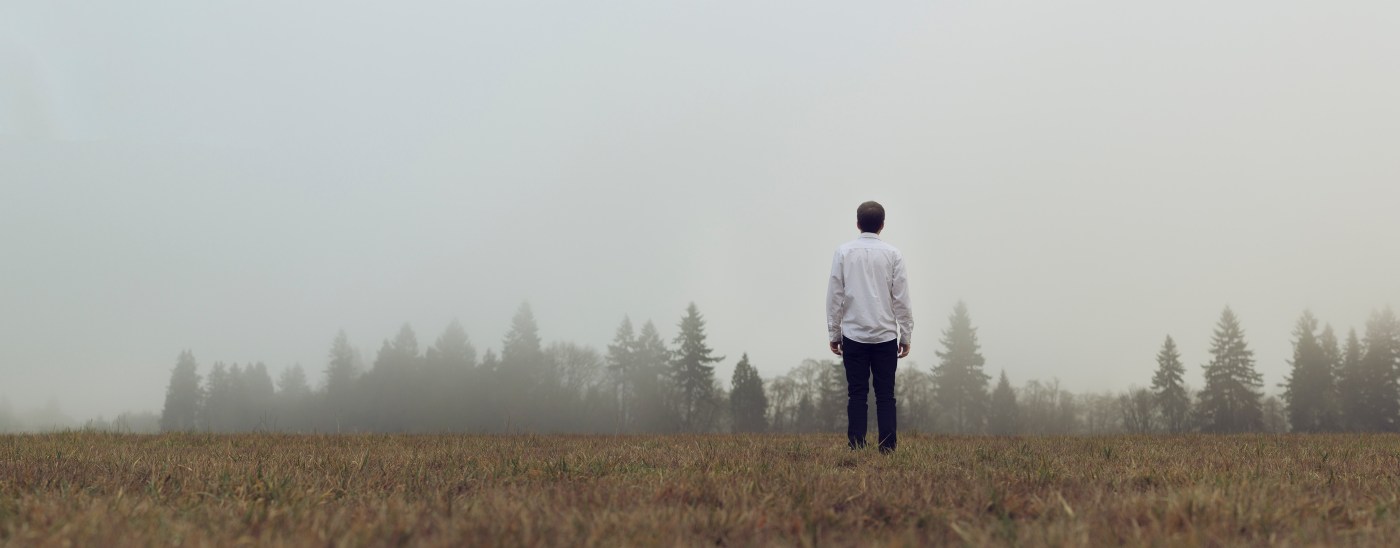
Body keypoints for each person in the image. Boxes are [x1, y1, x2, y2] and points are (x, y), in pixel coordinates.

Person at [826, 201, 913, 453]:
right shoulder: (893, 254)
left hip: (853, 334)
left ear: (857, 223)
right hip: (885, 335)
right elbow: (901, 299)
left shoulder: (843, 252)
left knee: (857, 394)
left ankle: (857, 446)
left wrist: (834, 333)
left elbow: (835, 296)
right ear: (882, 225)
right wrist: (905, 335)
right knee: (886, 395)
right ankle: (887, 448)